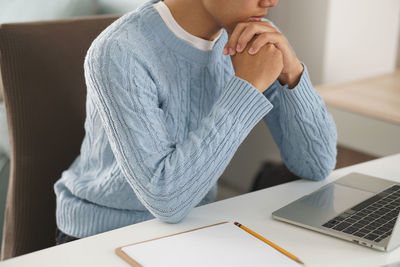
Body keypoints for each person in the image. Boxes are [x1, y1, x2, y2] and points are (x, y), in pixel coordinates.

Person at [54, 0, 337, 244]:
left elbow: (317, 164)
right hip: (101, 237)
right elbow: (166, 200)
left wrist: (293, 73)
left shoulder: (252, 38)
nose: (272, 1)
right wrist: (247, 88)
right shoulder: (118, 51)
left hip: (192, 226)